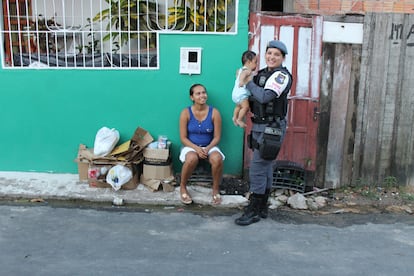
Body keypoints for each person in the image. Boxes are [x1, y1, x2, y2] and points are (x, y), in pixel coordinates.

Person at [235, 40, 293, 226]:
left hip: (272, 128)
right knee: (266, 167)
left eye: (276, 54)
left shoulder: (281, 76)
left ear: (283, 58)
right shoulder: (260, 74)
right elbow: (250, 97)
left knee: (258, 168)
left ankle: (253, 208)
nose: (272, 57)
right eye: (269, 53)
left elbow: (265, 96)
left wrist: (248, 82)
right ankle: (262, 207)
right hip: (258, 125)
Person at [178, 84, 225, 205]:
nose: (202, 95)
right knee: (192, 158)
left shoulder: (214, 113)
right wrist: (196, 149)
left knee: (217, 158)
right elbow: (183, 138)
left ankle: (215, 189)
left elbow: (217, 137)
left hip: (209, 145)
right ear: (191, 97)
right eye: (198, 93)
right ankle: (183, 186)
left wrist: (207, 148)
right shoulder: (186, 113)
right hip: (191, 146)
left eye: (204, 92)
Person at [231, 50, 258, 128]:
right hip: (242, 94)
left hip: (235, 94)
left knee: (238, 106)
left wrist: (239, 80)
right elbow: (244, 74)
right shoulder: (247, 70)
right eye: (255, 62)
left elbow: (238, 75)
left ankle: (234, 117)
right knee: (245, 107)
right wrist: (242, 81)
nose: (256, 64)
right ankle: (239, 119)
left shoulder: (239, 70)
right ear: (249, 62)